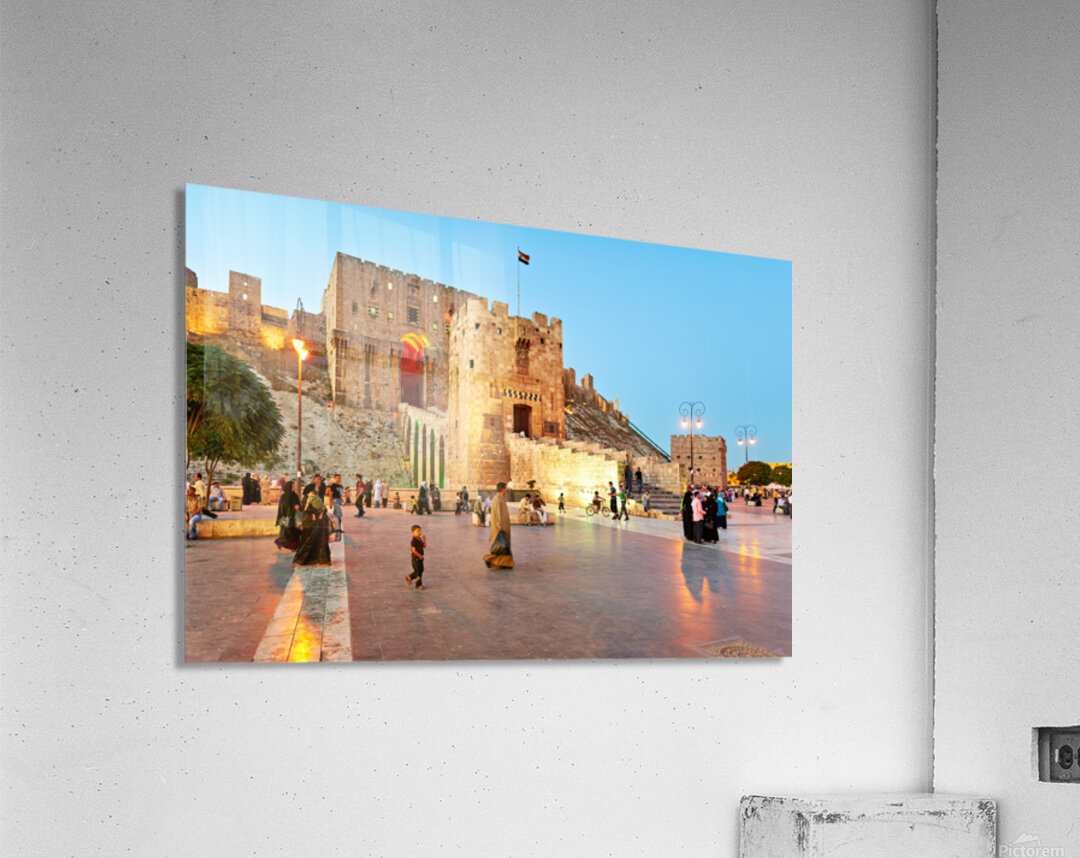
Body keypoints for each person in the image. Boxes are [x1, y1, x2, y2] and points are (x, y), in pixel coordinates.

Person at [292, 491, 331, 566]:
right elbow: (306, 510)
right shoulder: (308, 502)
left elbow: (323, 508)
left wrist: (321, 513)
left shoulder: (316, 500)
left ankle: (322, 560)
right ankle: (304, 560)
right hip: (311, 526)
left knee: (321, 541)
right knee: (310, 541)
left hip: (320, 525)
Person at [483, 482, 514, 569]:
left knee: (504, 547)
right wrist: (498, 525)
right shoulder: (497, 499)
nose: (507, 489)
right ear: (502, 489)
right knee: (499, 547)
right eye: (506, 488)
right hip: (500, 528)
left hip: (504, 527)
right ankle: (489, 559)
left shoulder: (501, 499)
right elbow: (496, 514)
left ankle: (505, 563)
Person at [274, 479, 302, 551]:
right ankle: (279, 542)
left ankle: (294, 547)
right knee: (286, 533)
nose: (294, 488)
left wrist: (298, 506)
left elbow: (299, 504)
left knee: (295, 532)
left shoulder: (295, 495)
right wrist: (293, 508)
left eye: (294, 486)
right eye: (293, 486)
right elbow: (283, 508)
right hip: (285, 517)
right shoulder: (283, 497)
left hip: (294, 517)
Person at [406, 524, 426, 590]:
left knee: (421, 570)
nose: (419, 532)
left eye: (420, 531)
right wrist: (419, 556)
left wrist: (424, 540)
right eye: (417, 531)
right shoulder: (413, 541)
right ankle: (418, 585)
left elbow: (424, 546)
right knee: (418, 572)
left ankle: (409, 577)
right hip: (416, 558)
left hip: (420, 558)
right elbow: (414, 551)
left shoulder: (419, 539)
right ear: (413, 532)